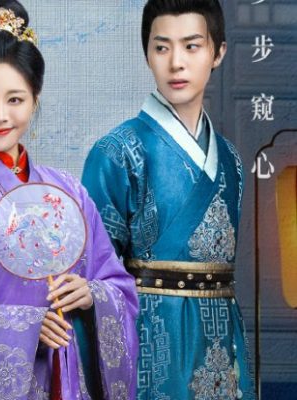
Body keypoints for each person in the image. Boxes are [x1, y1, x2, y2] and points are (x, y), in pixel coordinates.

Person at [0, 1, 139, 398]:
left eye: (15, 99)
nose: (0, 115)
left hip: (67, 378)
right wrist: (23, 327)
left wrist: (92, 294)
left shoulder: (70, 192)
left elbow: (119, 286)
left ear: (35, 99)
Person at [81, 0, 256, 398]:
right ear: (147, 54)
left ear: (218, 52)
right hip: (151, 347)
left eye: (192, 46)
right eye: (162, 47)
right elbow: (92, 278)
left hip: (223, 346)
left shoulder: (230, 159)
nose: (176, 63)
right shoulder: (116, 152)